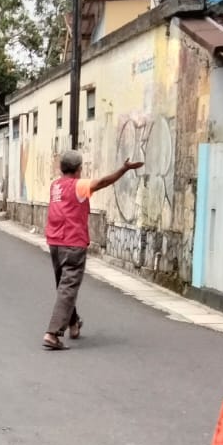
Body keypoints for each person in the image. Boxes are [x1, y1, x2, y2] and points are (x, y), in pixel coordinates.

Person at [42, 150, 140, 352]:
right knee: (68, 287)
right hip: (73, 243)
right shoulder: (79, 185)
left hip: (55, 242)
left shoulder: (55, 186)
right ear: (78, 169)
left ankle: (73, 322)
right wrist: (124, 169)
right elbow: (103, 182)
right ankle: (53, 334)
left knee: (64, 286)